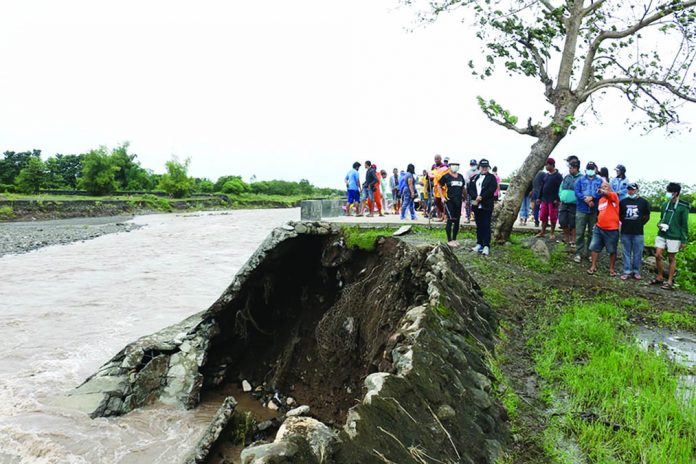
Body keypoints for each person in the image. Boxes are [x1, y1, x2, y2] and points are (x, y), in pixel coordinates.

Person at [650, 182, 690, 290]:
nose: (667, 193)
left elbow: (684, 224)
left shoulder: (683, 207)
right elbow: (662, 218)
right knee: (658, 255)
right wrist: (659, 224)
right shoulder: (664, 205)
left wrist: (683, 240)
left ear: (675, 193)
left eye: (669, 192)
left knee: (671, 258)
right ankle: (660, 276)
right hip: (662, 233)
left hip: (675, 235)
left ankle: (670, 281)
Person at [587, 181, 620, 276]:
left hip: (612, 229)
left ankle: (611, 269)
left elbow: (607, 194)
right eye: (602, 187)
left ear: (609, 188)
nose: (603, 188)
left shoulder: (614, 196)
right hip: (599, 227)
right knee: (594, 247)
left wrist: (602, 191)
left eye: (605, 186)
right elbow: (600, 213)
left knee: (612, 250)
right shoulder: (601, 200)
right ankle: (593, 266)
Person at [619, 183, 651, 280]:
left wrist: (640, 223)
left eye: (632, 189)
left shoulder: (644, 202)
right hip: (625, 231)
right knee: (626, 252)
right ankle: (627, 271)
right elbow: (620, 215)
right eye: (629, 189)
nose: (630, 191)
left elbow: (647, 216)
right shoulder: (623, 202)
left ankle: (636, 271)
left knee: (638, 252)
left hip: (638, 232)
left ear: (636, 190)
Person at [573, 162, 603, 263]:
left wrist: (593, 198)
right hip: (581, 208)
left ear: (595, 169)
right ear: (586, 169)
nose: (590, 170)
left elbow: (601, 192)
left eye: (592, 168)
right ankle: (578, 253)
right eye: (589, 168)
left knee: (592, 233)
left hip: (594, 209)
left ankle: (590, 253)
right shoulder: (580, 179)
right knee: (580, 232)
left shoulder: (599, 180)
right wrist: (585, 199)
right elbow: (577, 192)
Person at [468, 159, 497, 256]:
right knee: (479, 225)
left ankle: (486, 245)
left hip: (486, 205)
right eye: (482, 167)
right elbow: (470, 189)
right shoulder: (474, 177)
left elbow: (492, 189)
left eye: (486, 167)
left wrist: (481, 197)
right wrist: (475, 196)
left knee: (486, 225)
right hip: (476, 205)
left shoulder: (491, 177)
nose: (484, 168)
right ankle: (479, 243)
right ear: (479, 167)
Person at [535, 158, 563, 240]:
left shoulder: (558, 176)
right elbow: (542, 187)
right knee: (543, 216)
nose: (546, 167)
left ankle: (552, 233)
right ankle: (542, 231)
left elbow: (560, 188)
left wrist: (557, 199)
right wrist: (539, 197)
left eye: (547, 165)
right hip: (544, 199)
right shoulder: (546, 175)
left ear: (552, 165)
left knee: (553, 216)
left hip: (553, 200)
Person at [439, 161, 466, 247]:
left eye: (457, 165)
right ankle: (449, 240)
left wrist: (465, 197)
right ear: (450, 166)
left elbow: (463, 188)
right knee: (450, 220)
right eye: (454, 165)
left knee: (457, 221)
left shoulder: (461, 176)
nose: (455, 166)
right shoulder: (446, 176)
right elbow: (439, 186)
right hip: (449, 200)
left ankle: (454, 239)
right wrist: (442, 197)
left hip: (458, 201)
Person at [558, 159, 581, 246]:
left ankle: (573, 239)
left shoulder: (581, 178)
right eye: (569, 168)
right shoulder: (566, 177)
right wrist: (561, 196)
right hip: (564, 203)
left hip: (574, 204)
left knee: (573, 223)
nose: (570, 169)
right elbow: (561, 188)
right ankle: (566, 237)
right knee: (562, 221)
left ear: (576, 168)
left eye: (571, 168)